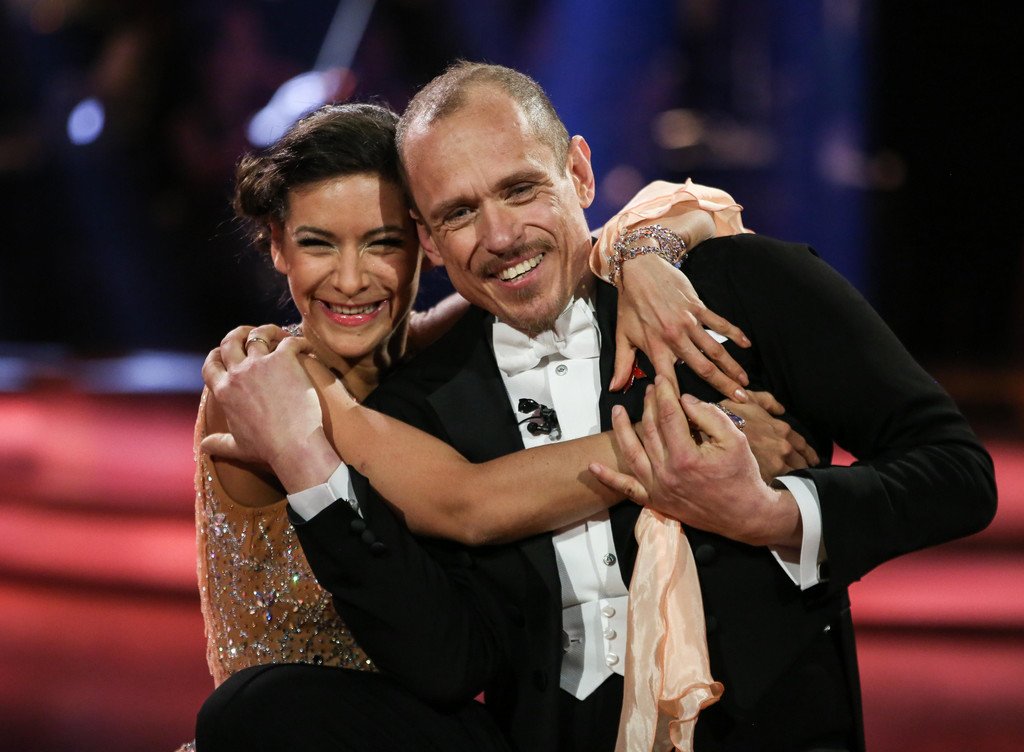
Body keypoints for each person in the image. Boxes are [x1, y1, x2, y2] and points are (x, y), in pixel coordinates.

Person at [198, 63, 995, 752]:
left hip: (767, 732)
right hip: (533, 734)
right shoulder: (401, 400)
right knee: (256, 711)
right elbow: (460, 583)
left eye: (520, 189)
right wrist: (678, 448)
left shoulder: (732, 287)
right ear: (434, 239)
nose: (500, 235)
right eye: (459, 213)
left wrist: (774, 514)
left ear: (579, 174)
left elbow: (956, 473)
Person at [190, 100, 808, 723]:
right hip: (306, 729)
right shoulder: (262, 381)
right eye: (318, 244)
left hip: (437, 721)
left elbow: (619, 231)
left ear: (427, 241)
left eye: (383, 244)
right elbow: (469, 504)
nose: (351, 281)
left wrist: (644, 254)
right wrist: (698, 436)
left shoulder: (426, 350)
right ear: (277, 246)